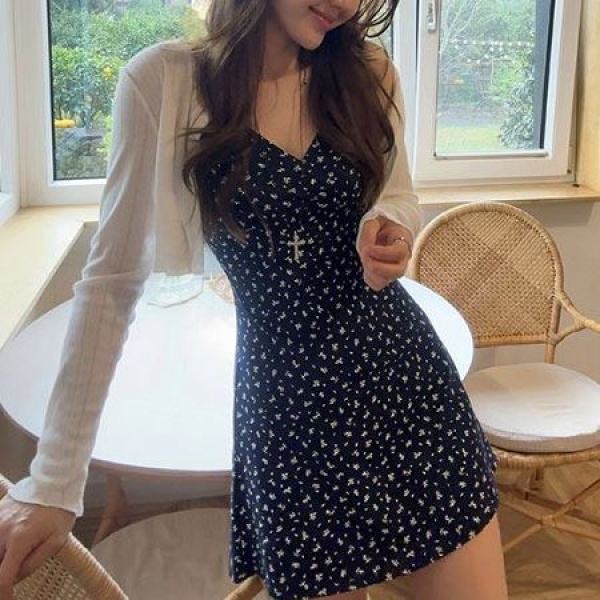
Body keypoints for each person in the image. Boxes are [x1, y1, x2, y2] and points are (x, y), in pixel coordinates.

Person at [0, 1, 509, 599]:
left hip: (407, 392)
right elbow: (111, 284)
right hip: (288, 419)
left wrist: (391, 227)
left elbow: (398, 194)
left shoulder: (369, 71)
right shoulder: (164, 82)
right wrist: (54, 483)